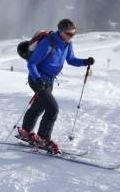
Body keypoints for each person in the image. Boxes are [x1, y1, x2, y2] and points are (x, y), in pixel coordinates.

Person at [17, 19, 95, 154]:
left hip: (49, 80)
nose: (71, 36)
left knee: (39, 106)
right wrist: (38, 78)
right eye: (69, 34)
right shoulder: (48, 43)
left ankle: (25, 131)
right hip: (38, 79)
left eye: (74, 34)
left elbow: (70, 60)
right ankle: (43, 138)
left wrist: (84, 62)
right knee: (53, 109)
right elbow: (32, 64)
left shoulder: (67, 44)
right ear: (60, 31)